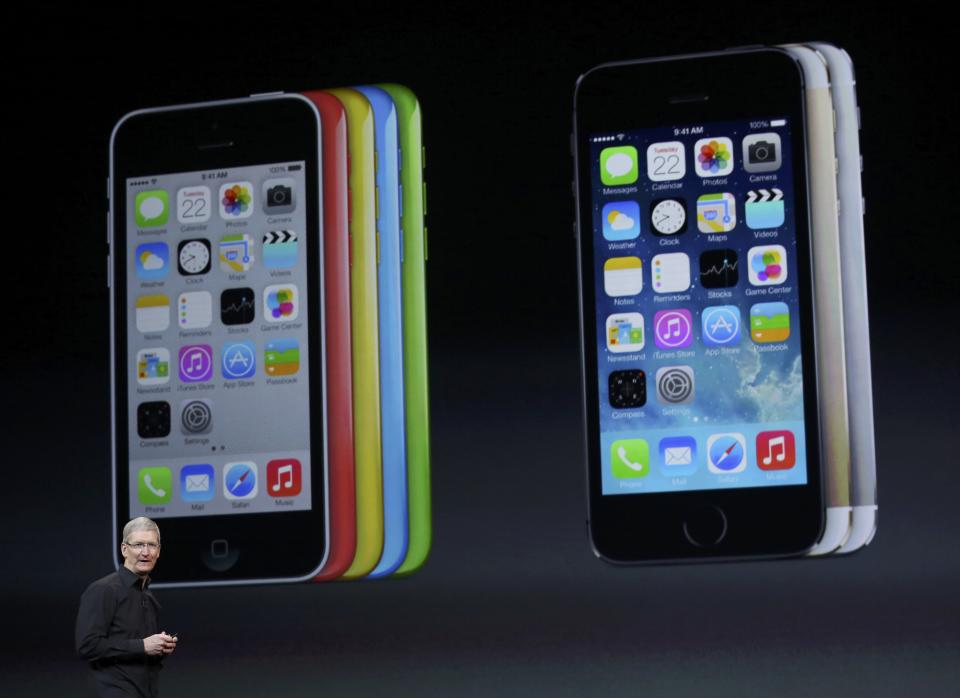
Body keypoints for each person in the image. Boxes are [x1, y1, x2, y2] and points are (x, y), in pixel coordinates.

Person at [75, 517, 177, 697]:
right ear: (124, 549)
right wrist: (143, 645)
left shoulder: (148, 597)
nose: (145, 552)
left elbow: (137, 651)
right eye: (138, 545)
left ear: (159, 551)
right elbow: (87, 645)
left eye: (152, 545)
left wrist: (160, 649)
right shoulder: (103, 590)